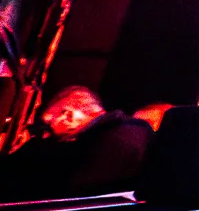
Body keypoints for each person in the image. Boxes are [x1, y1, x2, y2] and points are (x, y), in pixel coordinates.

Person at [0, 86, 154, 201]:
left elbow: (76, 192)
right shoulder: (125, 130)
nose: (46, 135)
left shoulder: (116, 137)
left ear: (69, 116)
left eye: (49, 125)